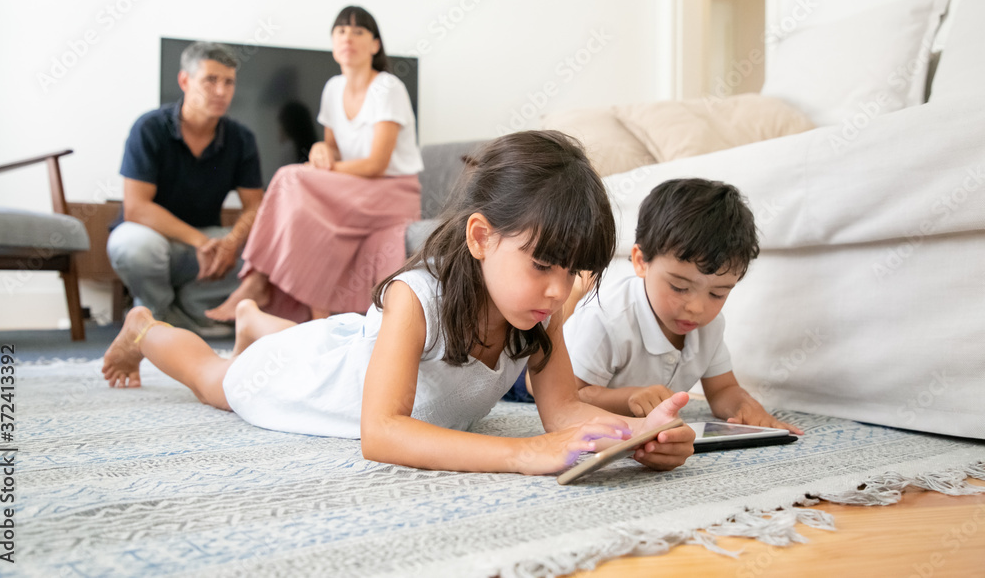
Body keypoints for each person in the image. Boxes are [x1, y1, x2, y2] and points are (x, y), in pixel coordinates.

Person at [102, 131, 697, 475]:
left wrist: (634, 436)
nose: (558, 289)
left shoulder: (542, 310)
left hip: (347, 347)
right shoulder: (417, 297)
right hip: (316, 382)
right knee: (215, 379)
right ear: (481, 237)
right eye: (543, 264)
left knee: (304, 339)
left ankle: (257, 321)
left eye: (573, 272)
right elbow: (381, 433)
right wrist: (520, 454)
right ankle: (144, 329)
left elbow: (563, 410)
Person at [205, 5, 423, 324]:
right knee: (300, 203)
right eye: (341, 31)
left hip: (391, 191)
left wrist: (326, 168)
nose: (348, 37)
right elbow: (333, 148)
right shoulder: (333, 88)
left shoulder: (387, 87)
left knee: (290, 178)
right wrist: (322, 150)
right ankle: (311, 313)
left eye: (358, 31)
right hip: (352, 187)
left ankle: (257, 282)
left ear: (375, 45)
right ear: (333, 43)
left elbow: (377, 163)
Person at [563, 178, 802, 434]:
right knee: (532, 372)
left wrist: (746, 406)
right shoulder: (608, 318)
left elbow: (723, 390)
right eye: (679, 288)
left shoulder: (709, 327)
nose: (697, 308)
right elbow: (570, 396)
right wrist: (628, 398)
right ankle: (575, 294)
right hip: (537, 373)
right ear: (641, 261)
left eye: (718, 293)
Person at [107, 41, 263, 336]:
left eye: (228, 82)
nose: (221, 91)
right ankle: (158, 314)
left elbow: (255, 205)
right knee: (132, 246)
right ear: (185, 80)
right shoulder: (149, 127)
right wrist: (200, 241)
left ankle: (188, 308)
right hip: (156, 239)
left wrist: (230, 242)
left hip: (208, 246)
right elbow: (136, 207)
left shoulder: (241, 138)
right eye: (210, 80)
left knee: (268, 254)